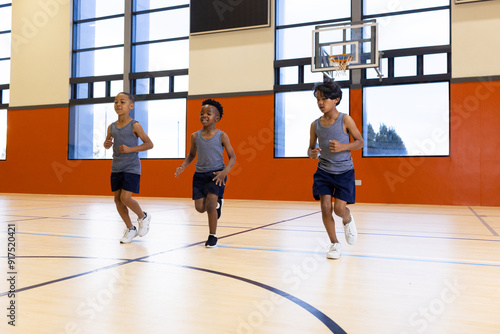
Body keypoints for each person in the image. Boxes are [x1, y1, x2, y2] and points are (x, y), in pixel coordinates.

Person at [307, 80, 364, 259]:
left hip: (344, 172)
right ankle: (334, 244)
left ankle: (347, 219)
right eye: (318, 99)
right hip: (324, 171)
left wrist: (343, 146)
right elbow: (310, 149)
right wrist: (313, 153)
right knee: (325, 207)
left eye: (324, 99)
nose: (320, 103)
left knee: (339, 209)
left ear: (336, 99)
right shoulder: (315, 125)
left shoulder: (345, 119)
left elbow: (360, 142)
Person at [175, 99, 236, 248]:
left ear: (216, 118)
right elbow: (191, 155)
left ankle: (212, 236)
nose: (204, 115)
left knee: (210, 204)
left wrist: (224, 172)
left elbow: (232, 157)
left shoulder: (222, 136)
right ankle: (218, 204)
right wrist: (183, 166)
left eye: (208, 113)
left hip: (216, 175)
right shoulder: (195, 136)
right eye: (202, 113)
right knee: (200, 208)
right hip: (199, 175)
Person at [104, 92, 154, 244]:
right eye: (116, 102)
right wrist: (106, 144)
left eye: (122, 102)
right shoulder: (111, 127)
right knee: (118, 201)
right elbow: (107, 142)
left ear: (131, 106)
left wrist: (131, 149)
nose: (118, 104)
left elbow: (149, 144)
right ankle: (130, 228)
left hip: (131, 166)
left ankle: (143, 216)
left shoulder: (135, 125)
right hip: (116, 167)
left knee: (126, 198)